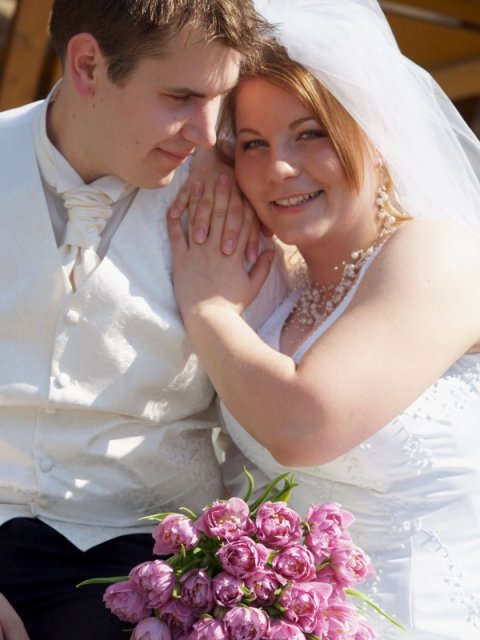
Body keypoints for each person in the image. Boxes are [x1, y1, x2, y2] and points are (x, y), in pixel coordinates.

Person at [167, 0, 480, 637]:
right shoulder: (277, 289)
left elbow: (305, 427)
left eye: (309, 134)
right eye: (253, 144)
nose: (279, 168)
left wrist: (208, 309)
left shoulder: (440, 254)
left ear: (378, 134)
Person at [0, 1, 285, 638]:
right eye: (180, 97)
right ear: (87, 66)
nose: (206, 134)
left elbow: (261, 434)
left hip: (152, 568)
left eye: (219, 99)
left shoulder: (233, 202)